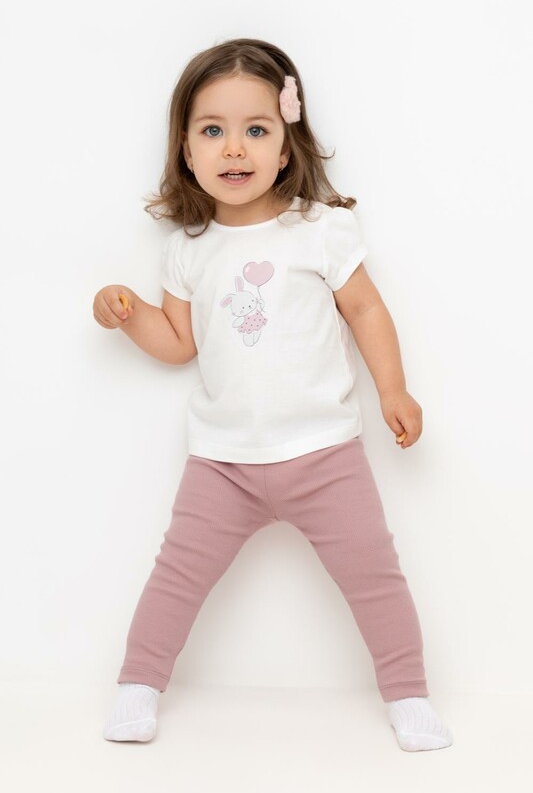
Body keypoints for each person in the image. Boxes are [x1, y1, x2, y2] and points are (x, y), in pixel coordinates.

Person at [94, 38, 453, 752]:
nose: (235, 148)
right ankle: (137, 685)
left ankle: (408, 693)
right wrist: (129, 314)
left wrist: (394, 388)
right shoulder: (189, 247)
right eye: (212, 130)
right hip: (222, 462)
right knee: (176, 575)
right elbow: (180, 342)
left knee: (374, 574)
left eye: (256, 129)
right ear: (186, 149)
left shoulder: (318, 230)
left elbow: (365, 309)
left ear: (287, 146)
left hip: (325, 454)